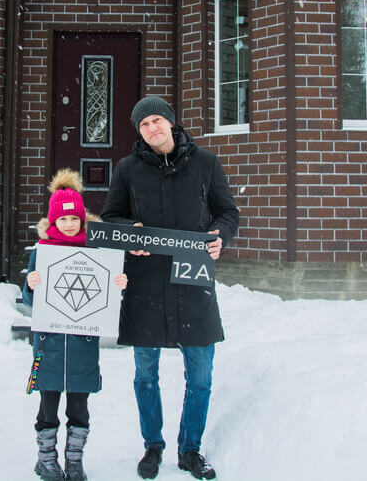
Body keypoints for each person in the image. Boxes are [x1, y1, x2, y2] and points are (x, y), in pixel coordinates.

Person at [101, 96, 239, 480]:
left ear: (172, 123)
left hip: (193, 281)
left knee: (200, 375)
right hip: (146, 281)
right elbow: (112, 217)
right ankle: (153, 446)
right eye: (143, 125)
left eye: (157, 121)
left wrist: (220, 236)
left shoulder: (206, 164)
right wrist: (129, 234)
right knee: (146, 374)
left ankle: (190, 448)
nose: (151, 129)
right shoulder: (128, 169)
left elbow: (227, 212)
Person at [23, 168, 128, 481]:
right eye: (62, 220)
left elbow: (103, 300)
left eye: (74, 219)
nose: (69, 225)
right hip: (50, 345)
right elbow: (29, 302)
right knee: (48, 404)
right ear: (52, 222)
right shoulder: (42, 253)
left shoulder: (96, 252)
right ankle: (46, 460)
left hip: (83, 346)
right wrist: (32, 285)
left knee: (79, 407)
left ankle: (74, 461)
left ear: (83, 221)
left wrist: (116, 284)